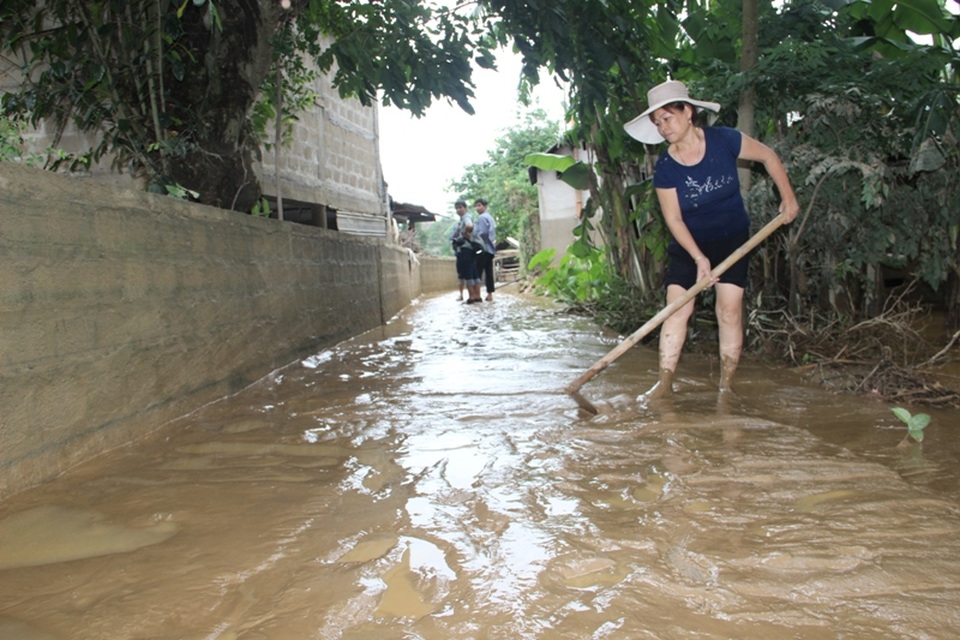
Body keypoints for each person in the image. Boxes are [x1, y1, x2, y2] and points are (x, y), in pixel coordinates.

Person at [624, 80, 799, 397]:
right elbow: (673, 219)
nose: (663, 128)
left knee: (729, 311)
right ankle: (663, 384)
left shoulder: (725, 141)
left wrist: (788, 198)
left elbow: (769, 157)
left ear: (688, 111)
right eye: (658, 122)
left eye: (668, 118)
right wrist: (698, 258)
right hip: (689, 245)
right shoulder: (665, 168)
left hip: (732, 239)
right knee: (677, 309)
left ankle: (726, 386)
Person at [449, 199, 483, 303]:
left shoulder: (466, 218)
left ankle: (472, 296)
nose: (458, 210)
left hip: (465, 249)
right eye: (457, 208)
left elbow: (469, 226)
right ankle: (477, 295)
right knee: (474, 273)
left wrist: (465, 234)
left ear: (465, 208)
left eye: (460, 207)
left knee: (468, 273)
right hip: (471, 248)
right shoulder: (465, 219)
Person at [473, 198, 497, 302]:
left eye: (479, 205)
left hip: (483, 248)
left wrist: (475, 239)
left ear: (485, 206)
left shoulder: (482, 218)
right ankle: (490, 294)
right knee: (489, 272)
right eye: (476, 206)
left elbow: (482, 233)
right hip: (490, 249)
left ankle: (476, 294)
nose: (477, 208)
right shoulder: (490, 217)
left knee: (477, 271)